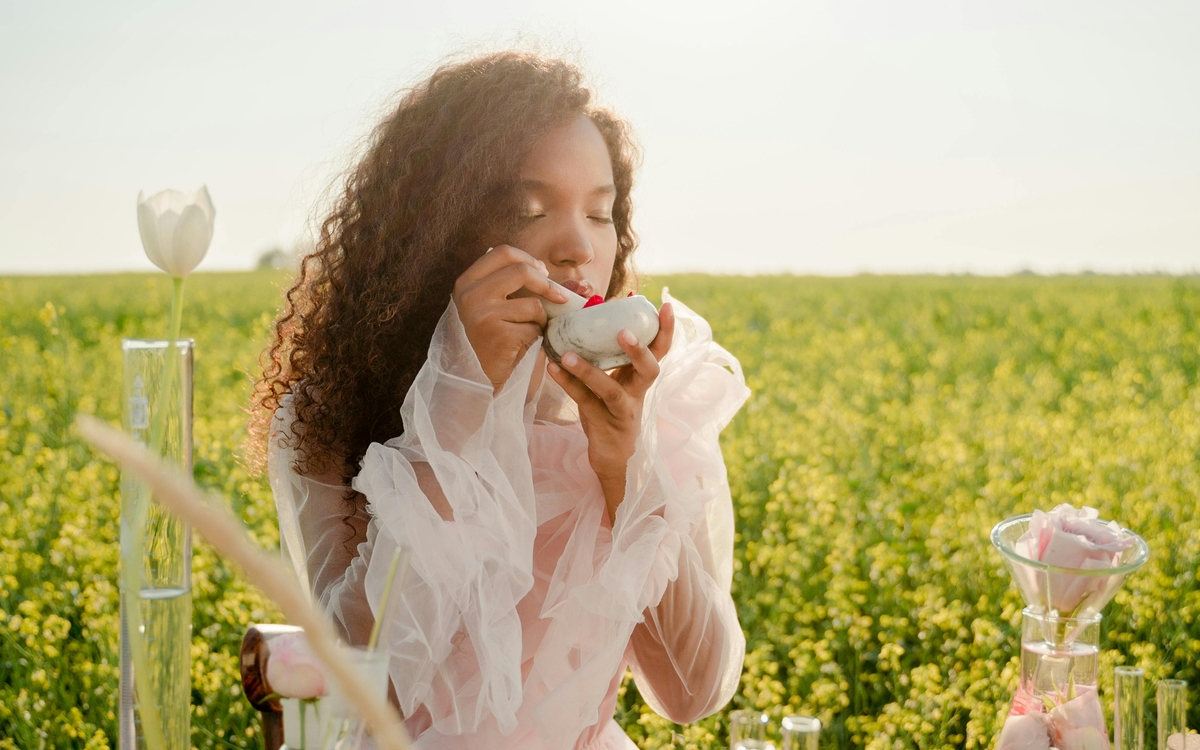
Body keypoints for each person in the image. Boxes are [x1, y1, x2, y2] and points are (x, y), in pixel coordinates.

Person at [251, 51, 750, 750]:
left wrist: (627, 471)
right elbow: (353, 699)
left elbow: (692, 692)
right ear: (436, 228)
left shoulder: (651, 410)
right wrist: (456, 405)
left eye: (600, 214)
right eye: (529, 210)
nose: (578, 247)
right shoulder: (332, 411)